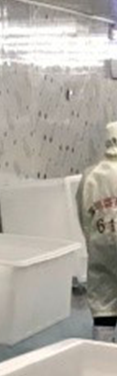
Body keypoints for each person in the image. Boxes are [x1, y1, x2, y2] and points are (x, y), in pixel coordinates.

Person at [78, 122, 117, 342]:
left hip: (101, 244)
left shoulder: (91, 175)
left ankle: (102, 351)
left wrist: (93, 243)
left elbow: (84, 215)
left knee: (103, 302)